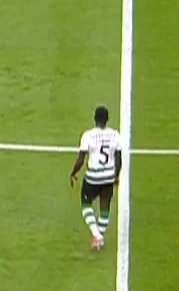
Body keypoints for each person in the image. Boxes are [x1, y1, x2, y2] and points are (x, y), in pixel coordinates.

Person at [69, 105, 123, 253]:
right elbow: (119, 159)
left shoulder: (88, 135)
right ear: (107, 119)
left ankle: (97, 235)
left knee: (86, 204)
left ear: (94, 118)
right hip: (108, 176)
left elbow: (81, 159)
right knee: (105, 206)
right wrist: (116, 176)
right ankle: (99, 237)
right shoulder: (115, 135)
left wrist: (73, 173)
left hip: (93, 176)